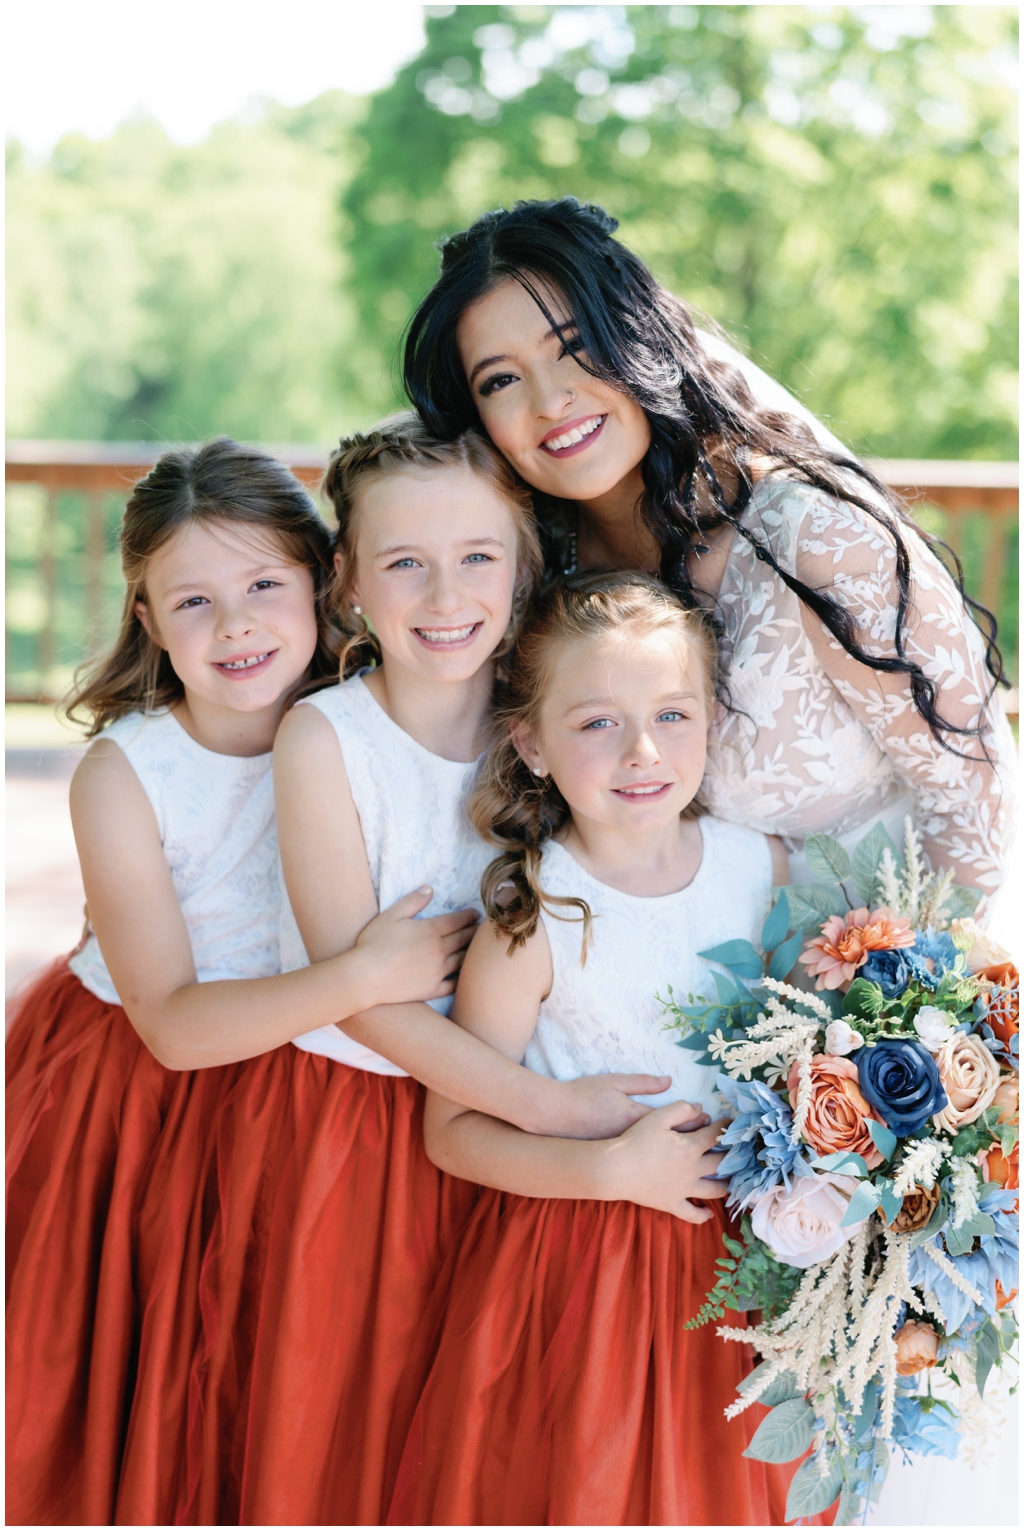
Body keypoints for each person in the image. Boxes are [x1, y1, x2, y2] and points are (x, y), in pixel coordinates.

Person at [179, 418, 671, 1525]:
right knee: (342, 1424)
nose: (445, 593)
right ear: (347, 579)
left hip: (502, 1141)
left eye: (477, 557)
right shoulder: (326, 738)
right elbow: (359, 995)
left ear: (525, 565)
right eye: (405, 561)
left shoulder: (550, 727)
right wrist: (549, 1105)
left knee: (477, 1440)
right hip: (350, 1128)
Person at [6, 438, 488, 1525]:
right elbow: (171, 1024)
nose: (235, 627)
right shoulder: (128, 773)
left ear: (326, 585)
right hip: (143, 1095)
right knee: (161, 1368)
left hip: (311, 1093)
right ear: (146, 615)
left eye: (266, 584)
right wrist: (360, 974)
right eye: (194, 601)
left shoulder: (375, 717)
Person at [402, 197, 1015, 903]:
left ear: (637, 338)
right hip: (675, 975)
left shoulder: (812, 540)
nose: (549, 401)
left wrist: (901, 996)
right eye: (500, 380)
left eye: (573, 346)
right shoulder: (529, 570)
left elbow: (972, 791)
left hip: (894, 964)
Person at [387, 571, 807, 1526]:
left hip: (750, 1255)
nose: (643, 751)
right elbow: (453, 1132)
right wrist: (613, 1169)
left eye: (672, 712)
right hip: (584, 1262)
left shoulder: (763, 864)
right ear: (530, 743)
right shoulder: (533, 912)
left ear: (712, 717)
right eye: (597, 724)